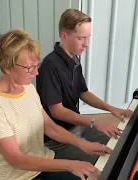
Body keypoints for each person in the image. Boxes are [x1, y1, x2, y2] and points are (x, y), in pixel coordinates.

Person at [0, 29, 112, 180]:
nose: (36, 73)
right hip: (13, 176)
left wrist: (82, 144)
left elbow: (49, 127)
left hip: (42, 161)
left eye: (36, 64)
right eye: (29, 67)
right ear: (6, 67)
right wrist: (70, 165)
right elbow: (16, 159)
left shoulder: (27, 87)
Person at [36, 9, 132, 164]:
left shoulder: (74, 59)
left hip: (78, 127)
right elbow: (57, 112)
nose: (86, 44)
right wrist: (94, 121)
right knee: (108, 161)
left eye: (88, 38)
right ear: (64, 36)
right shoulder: (49, 66)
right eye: (81, 38)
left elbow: (83, 92)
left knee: (120, 144)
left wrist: (111, 108)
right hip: (58, 140)